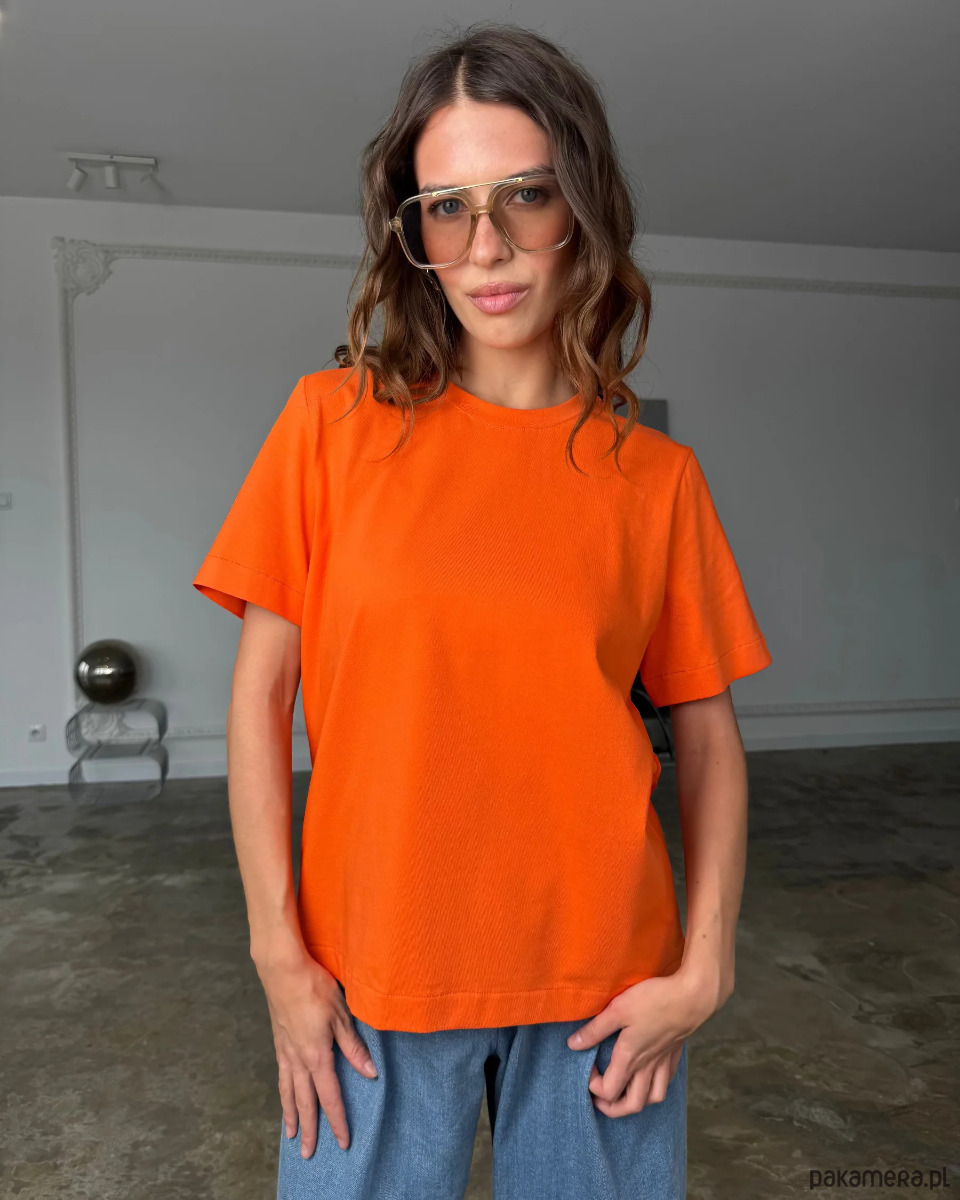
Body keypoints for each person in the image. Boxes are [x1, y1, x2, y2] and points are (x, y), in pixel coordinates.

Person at [192, 21, 772, 1200]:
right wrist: (278, 956)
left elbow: (706, 733)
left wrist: (706, 967)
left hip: (608, 990)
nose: (488, 247)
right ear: (411, 235)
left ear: (584, 209)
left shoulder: (655, 480)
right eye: (447, 209)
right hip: (370, 979)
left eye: (527, 197)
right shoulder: (329, 428)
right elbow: (259, 701)